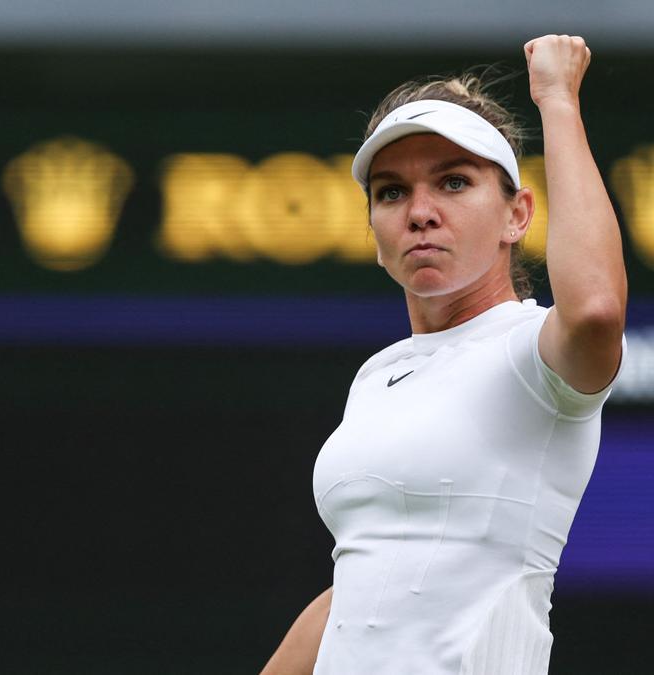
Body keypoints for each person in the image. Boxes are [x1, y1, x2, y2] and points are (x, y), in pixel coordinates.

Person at [262, 35, 627, 674]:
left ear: (518, 215)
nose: (421, 213)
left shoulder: (534, 355)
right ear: (374, 234)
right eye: (391, 192)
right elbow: (363, 582)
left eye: (454, 182)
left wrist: (558, 101)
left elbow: (596, 307)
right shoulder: (378, 377)